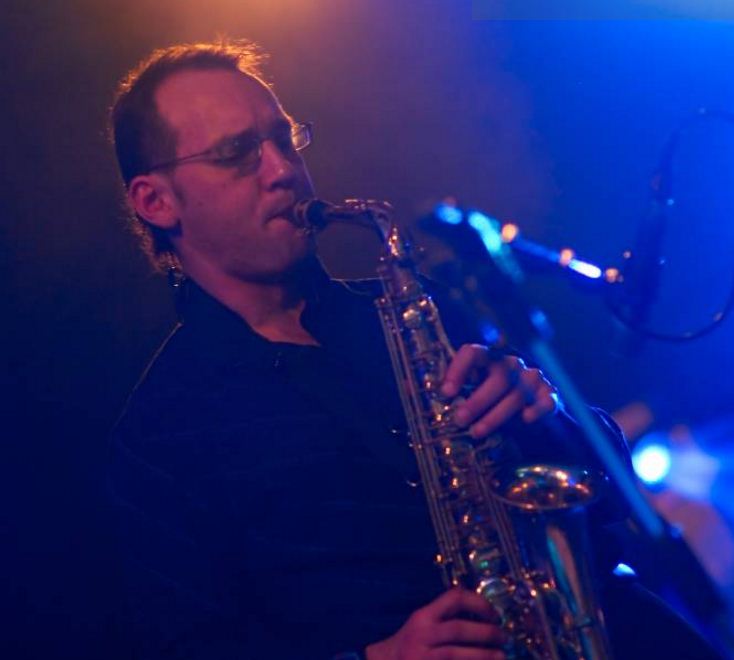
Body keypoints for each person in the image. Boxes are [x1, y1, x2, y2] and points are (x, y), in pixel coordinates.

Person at [109, 40, 722, 660]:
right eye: (237, 153)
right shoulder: (160, 434)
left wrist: (548, 414)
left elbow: (610, 497)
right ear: (155, 201)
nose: (282, 169)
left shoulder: (419, 308)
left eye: (284, 138)